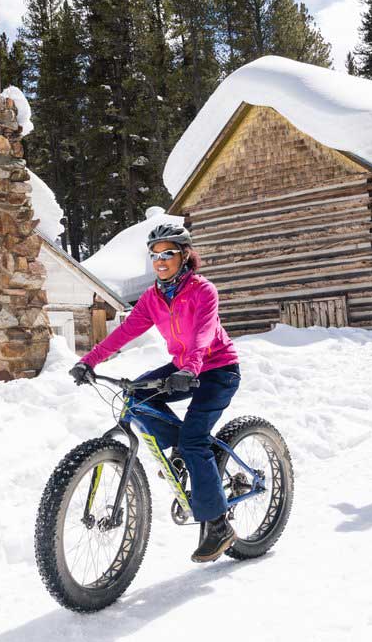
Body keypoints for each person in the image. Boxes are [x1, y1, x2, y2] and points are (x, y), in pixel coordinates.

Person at [68, 223, 242, 564]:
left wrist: (191, 367)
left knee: (194, 440)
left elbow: (204, 333)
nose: (160, 261)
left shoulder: (203, 291)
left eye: (168, 254)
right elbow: (125, 332)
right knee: (136, 398)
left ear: (185, 255)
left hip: (217, 369)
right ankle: (185, 450)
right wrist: (88, 361)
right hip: (183, 368)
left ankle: (219, 526)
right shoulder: (153, 297)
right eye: (154, 255)